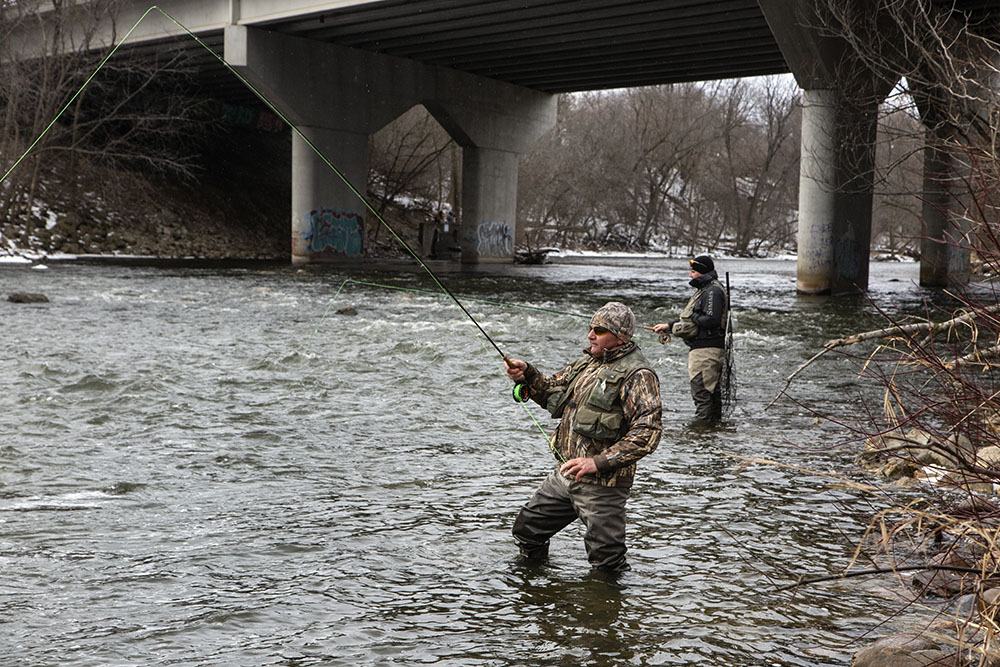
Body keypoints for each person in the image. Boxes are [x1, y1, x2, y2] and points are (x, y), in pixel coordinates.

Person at [504, 301, 662, 572]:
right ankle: (537, 590)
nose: (590, 335)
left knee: (607, 562)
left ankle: (605, 608)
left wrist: (596, 462)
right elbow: (550, 390)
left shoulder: (639, 375)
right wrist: (527, 373)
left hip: (603, 484)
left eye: (599, 330)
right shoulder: (586, 362)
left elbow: (648, 433)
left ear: (621, 336)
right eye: (590, 328)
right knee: (527, 531)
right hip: (564, 474)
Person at [653, 254, 728, 425]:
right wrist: (669, 326)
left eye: (693, 271)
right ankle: (712, 433)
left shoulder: (712, 291)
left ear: (702, 272)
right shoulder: (707, 289)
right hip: (704, 348)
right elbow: (694, 320)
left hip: (707, 350)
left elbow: (711, 320)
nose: (690, 275)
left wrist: (694, 317)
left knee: (702, 392)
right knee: (710, 394)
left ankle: (700, 432)